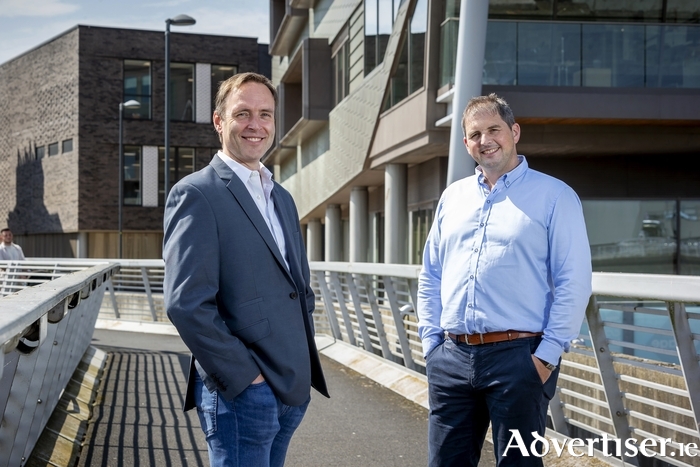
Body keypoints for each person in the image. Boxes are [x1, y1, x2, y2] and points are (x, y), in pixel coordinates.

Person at [163, 72, 329, 467]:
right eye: (243, 114)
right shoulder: (196, 193)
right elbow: (186, 304)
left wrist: (299, 370)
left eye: (265, 114)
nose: (256, 125)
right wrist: (246, 380)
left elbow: (297, 288)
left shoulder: (281, 197)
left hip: (289, 386)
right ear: (219, 121)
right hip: (242, 393)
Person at [417, 93, 592, 467]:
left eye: (494, 129)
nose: (485, 140)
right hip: (451, 358)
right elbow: (431, 274)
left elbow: (573, 281)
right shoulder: (453, 198)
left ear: (514, 131)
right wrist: (431, 344)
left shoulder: (555, 196)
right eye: (475, 134)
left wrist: (545, 358)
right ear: (466, 143)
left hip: (519, 359)